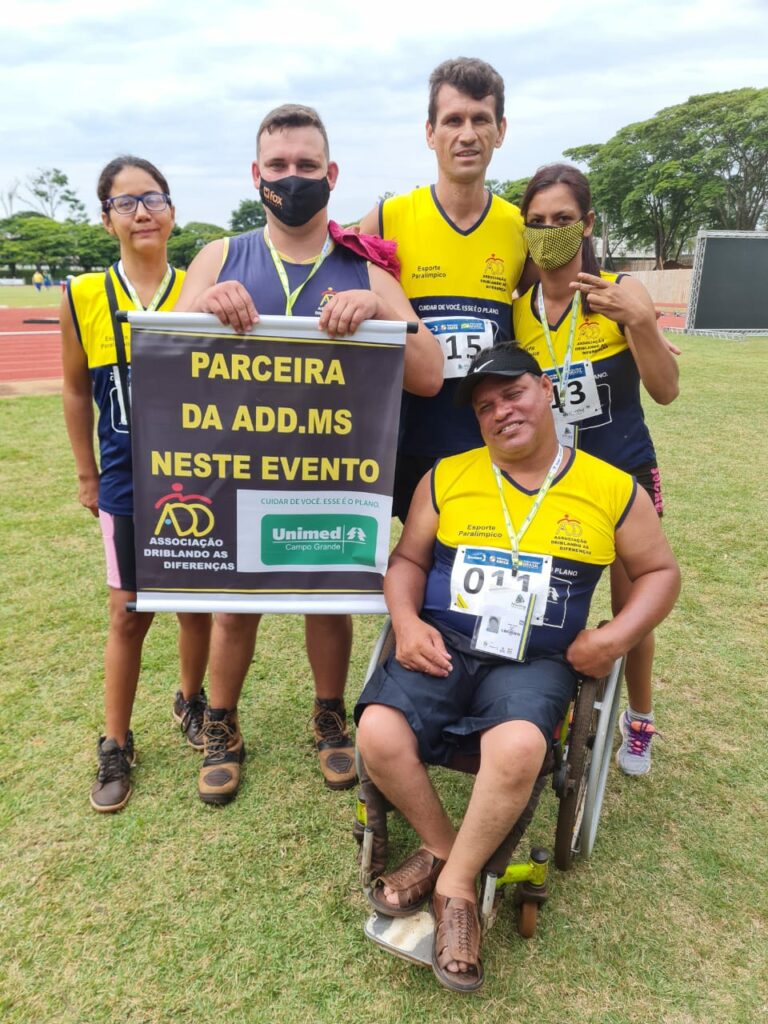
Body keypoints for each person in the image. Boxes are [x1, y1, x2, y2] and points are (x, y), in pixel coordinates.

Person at [355, 342, 680, 992]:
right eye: (485, 407)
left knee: (518, 747)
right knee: (377, 735)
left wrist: (613, 637)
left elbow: (660, 574)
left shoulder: (612, 488)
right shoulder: (446, 477)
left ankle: (453, 889)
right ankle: (448, 848)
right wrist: (410, 622)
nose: (501, 411)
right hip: (444, 643)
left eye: (513, 393)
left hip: (533, 660)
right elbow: (409, 562)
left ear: (547, 391)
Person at [175, 104, 443, 803]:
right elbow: (161, 357)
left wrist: (381, 313)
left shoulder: (362, 267)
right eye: (278, 166)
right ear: (256, 175)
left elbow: (430, 372)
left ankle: (329, 720)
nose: (291, 178)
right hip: (237, 467)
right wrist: (201, 307)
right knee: (235, 608)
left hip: (334, 472)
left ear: (332, 174)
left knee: (330, 600)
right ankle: (222, 724)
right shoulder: (219, 257)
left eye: (305, 166)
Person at [512, 163, 680, 776]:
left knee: (631, 605)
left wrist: (639, 322)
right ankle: (554, 707)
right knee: (555, 601)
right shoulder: (519, 310)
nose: (550, 231)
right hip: (555, 482)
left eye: (562, 220)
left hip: (623, 473)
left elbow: (665, 391)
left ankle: (639, 718)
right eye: (537, 222)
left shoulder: (621, 291)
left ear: (587, 224)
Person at [61, 156, 212, 813]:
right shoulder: (85, 295)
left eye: (153, 198)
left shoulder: (200, 289)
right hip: (125, 477)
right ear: (106, 219)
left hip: (195, 476)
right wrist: (86, 471)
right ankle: (116, 741)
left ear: (172, 210)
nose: (142, 211)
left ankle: (191, 699)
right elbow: (73, 389)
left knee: (194, 600)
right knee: (128, 610)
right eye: (126, 203)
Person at [358, 57, 531, 520]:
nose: (467, 134)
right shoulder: (387, 217)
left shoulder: (519, 227)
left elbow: (542, 311)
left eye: (481, 120)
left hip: (482, 436)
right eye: (453, 120)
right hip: (398, 436)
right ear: (430, 132)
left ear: (501, 130)